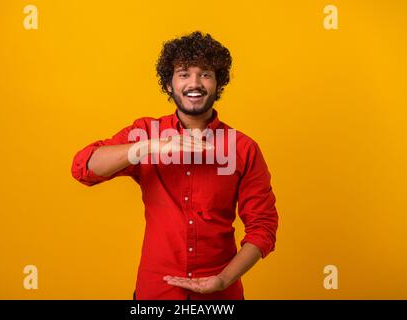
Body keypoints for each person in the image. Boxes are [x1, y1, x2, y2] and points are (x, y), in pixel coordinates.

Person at [71, 31, 278, 300]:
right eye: (183, 74)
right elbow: (83, 168)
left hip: (221, 297)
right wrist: (149, 147)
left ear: (218, 83)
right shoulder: (146, 132)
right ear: (169, 84)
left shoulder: (243, 148)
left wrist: (223, 279)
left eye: (205, 74)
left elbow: (263, 227)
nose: (195, 83)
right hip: (156, 293)